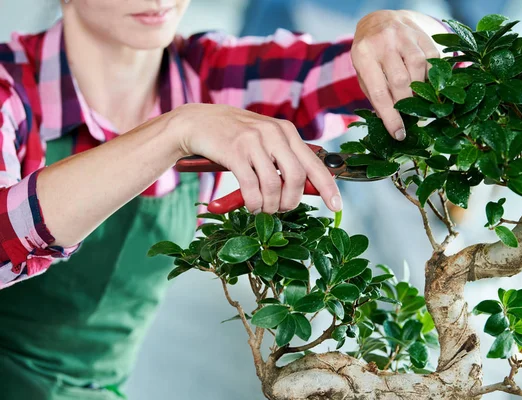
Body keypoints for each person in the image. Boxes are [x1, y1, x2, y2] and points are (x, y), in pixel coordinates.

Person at [0, 1, 447, 398]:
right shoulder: (10, 89)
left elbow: (460, 77)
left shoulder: (218, 77)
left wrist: (394, 25)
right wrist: (174, 131)